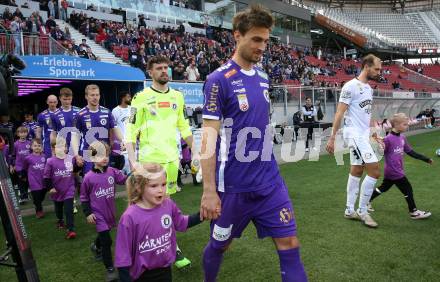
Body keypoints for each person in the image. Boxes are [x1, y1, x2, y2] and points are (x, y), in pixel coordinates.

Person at [200, 5, 307, 282]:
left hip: (270, 182)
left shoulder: (263, 77)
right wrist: (209, 192)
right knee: (220, 245)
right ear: (238, 35)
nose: (262, 47)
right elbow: (208, 139)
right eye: (256, 39)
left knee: (290, 246)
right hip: (234, 187)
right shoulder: (217, 80)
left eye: (265, 41)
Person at [125, 55, 194, 269]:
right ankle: (133, 246)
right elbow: (131, 129)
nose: (164, 71)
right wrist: (133, 161)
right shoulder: (140, 97)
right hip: (148, 163)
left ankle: (171, 246)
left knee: (165, 205)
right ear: (150, 72)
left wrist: (196, 151)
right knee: (140, 205)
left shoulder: (177, 96)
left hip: (171, 162)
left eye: (166, 68)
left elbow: (184, 126)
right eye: (159, 68)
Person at [114, 163, 203, 282]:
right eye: (154, 186)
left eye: (164, 184)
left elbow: (181, 223)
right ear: (139, 188)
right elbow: (123, 257)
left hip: (165, 270)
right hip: (142, 276)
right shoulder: (129, 217)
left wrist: (202, 215)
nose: (160, 190)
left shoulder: (168, 205)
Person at [326, 54, 382, 228]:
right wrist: (332, 137)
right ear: (366, 66)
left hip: (363, 134)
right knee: (375, 171)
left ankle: (350, 210)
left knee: (357, 170)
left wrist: (373, 132)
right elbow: (339, 113)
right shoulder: (350, 86)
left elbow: (366, 113)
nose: (379, 72)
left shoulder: (368, 89)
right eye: (377, 69)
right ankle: (363, 211)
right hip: (354, 134)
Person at [369, 113, 432, 219]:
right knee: (407, 189)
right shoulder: (388, 139)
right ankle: (413, 212)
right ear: (396, 125)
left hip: (392, 171)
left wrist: (425, 159)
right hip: (394, 171)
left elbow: (410, 152)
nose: (407, 126)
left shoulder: (402, 137)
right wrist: (379, 143)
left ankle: (367, 201)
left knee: (383, 188)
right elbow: (381, 152)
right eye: (404, 124)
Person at [80, 141, 127, 282]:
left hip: (110, 211)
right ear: (93, 158)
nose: (105, 158)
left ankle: (95, 246)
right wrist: (88, 213)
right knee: (107, 240)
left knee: (103, 236)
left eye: (106, 154)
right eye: (100, 155)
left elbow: (124, 180)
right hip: (98, 214)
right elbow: (83, 197)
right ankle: (110, 270)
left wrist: (135, 175)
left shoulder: (112, 171)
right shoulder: (88, 178)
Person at [72, 84, 121, 174]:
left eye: (97, 95)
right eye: (92, 95)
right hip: (88, 154)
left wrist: (124, 141)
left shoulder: (107, 112)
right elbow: (74, 137)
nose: (95, 97)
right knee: (90, 181)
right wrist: (76, 155)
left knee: (105, 181)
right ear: (86, 96)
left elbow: (115, 129)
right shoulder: (80, 115)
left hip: (104, 153)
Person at [44, 141, 82, 239]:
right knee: (58, 209)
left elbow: (75, 170)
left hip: (69, 188)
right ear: (54, 149)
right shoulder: (50, 161)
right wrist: (50, 187)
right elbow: (46, 177)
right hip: (56, 191)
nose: (62, 149)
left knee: (69, 209)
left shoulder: (71, 159)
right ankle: (60, 220)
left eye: (64, 146)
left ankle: (71, 229)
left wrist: (79, 165)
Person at [23, 138, 47, 218]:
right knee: (36, 196)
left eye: (39, 146)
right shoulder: (28, 158)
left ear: (42, 147)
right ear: (31, 147)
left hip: (43, 181)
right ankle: (39, 211)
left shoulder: (44, 157)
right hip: (33, 181)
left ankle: (37, 203)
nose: (37, 147)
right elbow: (25, 167)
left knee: (41, 196)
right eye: (35, 146)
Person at [111, 92, 132, 174]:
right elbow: (113, 128)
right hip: (122, 144)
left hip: (133, 142)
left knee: (133, 167)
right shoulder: (115, 111)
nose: (130, 98)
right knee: (123, 167)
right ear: (123, 98)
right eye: (128, 97)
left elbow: (135, 125)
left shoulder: (133, 109)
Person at [11, 126, 31, 203]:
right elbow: (12, 155)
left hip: (28, 167)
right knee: (21, 181)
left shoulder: (29, 143)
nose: (23, 134)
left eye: (25, 132)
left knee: (26, 182)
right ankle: (22, 197)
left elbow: (32, 154)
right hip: (19, 167)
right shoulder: (15, 144)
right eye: (21, 132)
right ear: (18, 134)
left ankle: (25, 194)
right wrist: (12, 165)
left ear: (27, 133)